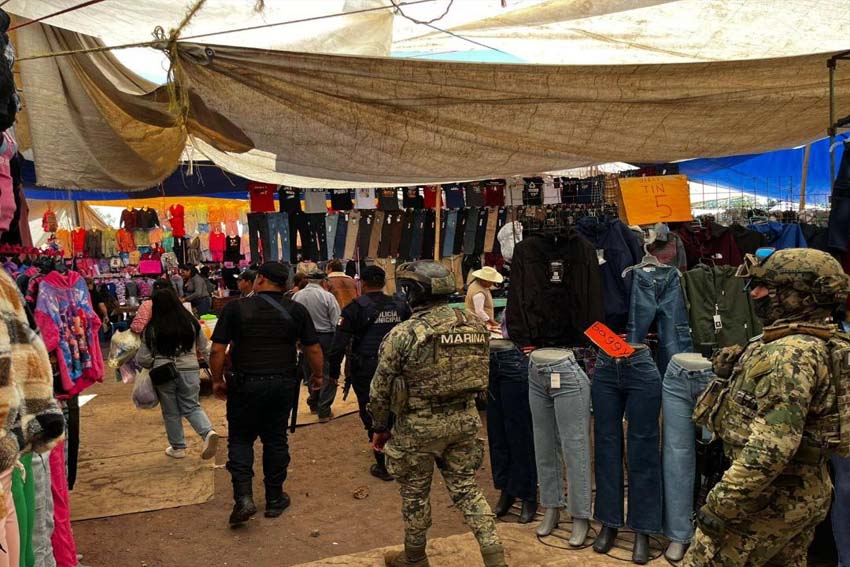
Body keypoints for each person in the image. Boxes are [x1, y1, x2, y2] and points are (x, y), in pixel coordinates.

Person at [686, 248, 850, 566]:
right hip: (801, 488)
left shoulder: (789, 354)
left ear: (800, 296)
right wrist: (728, 375)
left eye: (766, 287)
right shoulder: (821, 341)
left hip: (765, 498)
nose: (754, 294)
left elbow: (772, 448)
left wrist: (722, 503)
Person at [369, 261, 507, 567]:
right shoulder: (474, 325)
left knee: (415, 494)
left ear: (413, 292)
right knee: (467, 490)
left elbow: (380, 389)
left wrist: (379, 426)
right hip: (464, 419)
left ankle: (414, 556)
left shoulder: (405, 333)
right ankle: (495, 557)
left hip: (418, 426)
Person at [209, 261, 324, 526]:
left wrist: (216, 381)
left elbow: (217, 350)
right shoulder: (296, 310)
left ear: (259, 279)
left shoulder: (236, 308)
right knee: (275, 439)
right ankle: (274, 498)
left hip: (244, 384)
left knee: (240, 440)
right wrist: (317, 376)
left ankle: (243, 498)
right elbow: (313, 348)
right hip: (281, 384)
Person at [328, 266, 411, 480]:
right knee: (399, 407)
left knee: (371, 410)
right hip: (398, 367)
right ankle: (400, 454)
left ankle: (383, 464)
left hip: (367, 368)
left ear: (362, 283)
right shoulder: (400, 305)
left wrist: (333, 372)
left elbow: (339, 345)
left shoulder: (354, 308)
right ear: (383, 283)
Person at [135, 281, 219, 460]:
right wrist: (216, 371)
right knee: (192, 406)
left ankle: (178, 447)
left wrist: (155, 361)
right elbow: (205, 348)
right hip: (190, 369)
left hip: (164, 372)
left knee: (171, 411)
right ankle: (208, 432)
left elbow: (142, 358)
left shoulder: (152, 328)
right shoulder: (191, 323)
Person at [293, 271, 341, 422]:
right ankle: (324, 409)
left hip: (305, 339)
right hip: (325, 337)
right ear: (323, 281)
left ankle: (314, 403)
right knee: (327, 372)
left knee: (310, 371)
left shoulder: (297, 296)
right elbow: (336, 321)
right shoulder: (327, 296)